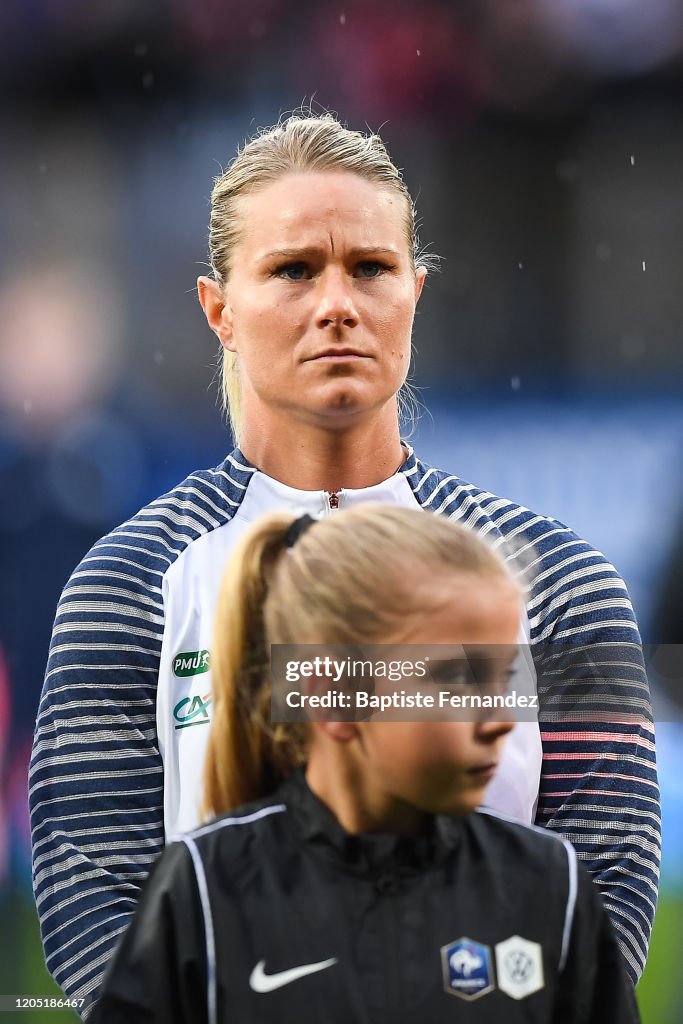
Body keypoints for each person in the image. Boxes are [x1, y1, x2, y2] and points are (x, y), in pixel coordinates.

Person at [29, 112, 659, 1014]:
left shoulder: (558, 580)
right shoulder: (127, 584)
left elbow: (604, 901)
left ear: (415, 293)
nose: (337, 303)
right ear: (219, 311)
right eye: (292, 270)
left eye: (370, 267)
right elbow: (94, 909)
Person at [90, 507, 639, 1023]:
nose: (501, 721)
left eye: (503, 681)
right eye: (457, 682)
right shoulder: (205, 891)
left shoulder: (549, 884)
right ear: (333, 696)